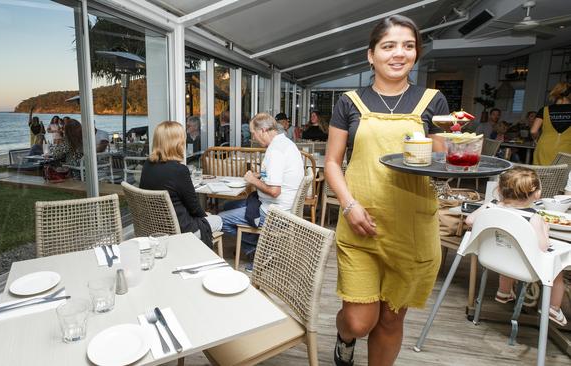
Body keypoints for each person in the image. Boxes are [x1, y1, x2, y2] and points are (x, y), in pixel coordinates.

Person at [325, 15, 449, 366]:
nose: (399, 53)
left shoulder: (433, 101)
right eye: (389, 46)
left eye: (408, 46)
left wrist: (454, 154)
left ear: (417, 53)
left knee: (392, 318)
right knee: (359, 320)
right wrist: (349, 206)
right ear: (371, 55)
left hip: (412, 229)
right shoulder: (349, 102)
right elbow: (333, 162)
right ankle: (344, 336)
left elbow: (441, 165)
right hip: (360, 222)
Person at [465, 167, 567, 326]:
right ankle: (553, 307)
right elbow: (542, 247)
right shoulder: (534, 216)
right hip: (525, 267)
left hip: (492, 257)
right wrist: (545, 231)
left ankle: (504, 291)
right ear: (537, 194)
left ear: (499, 189)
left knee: (509, 247)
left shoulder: (491, 206)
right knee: (557, 269)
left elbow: (470, 221)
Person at [219, 113, 304, 269]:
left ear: (263, 130)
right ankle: (259, 246)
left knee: (220, 220)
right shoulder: (285, 144)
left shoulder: (275, 151)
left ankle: (258, 251)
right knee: (227, 206)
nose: (254, 138)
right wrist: (261, 175)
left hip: (275, 212)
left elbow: (274, 191)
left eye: (254, 133)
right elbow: (279, 176)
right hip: (286, 206)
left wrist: (253, 180)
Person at [139, 121, 222, 248]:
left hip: (153, 227)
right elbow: (194, 207)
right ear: (177, 143)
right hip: (180, 230)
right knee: (219, 219)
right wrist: (206, 216)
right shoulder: (179, 170)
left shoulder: (147, 165)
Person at [531, 82, 571, 165]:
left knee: (541, 175)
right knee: (561, 176)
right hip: (566, 150)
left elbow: (533, 131)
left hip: (544, 148)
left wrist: (536, 140)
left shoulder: (544, 110)